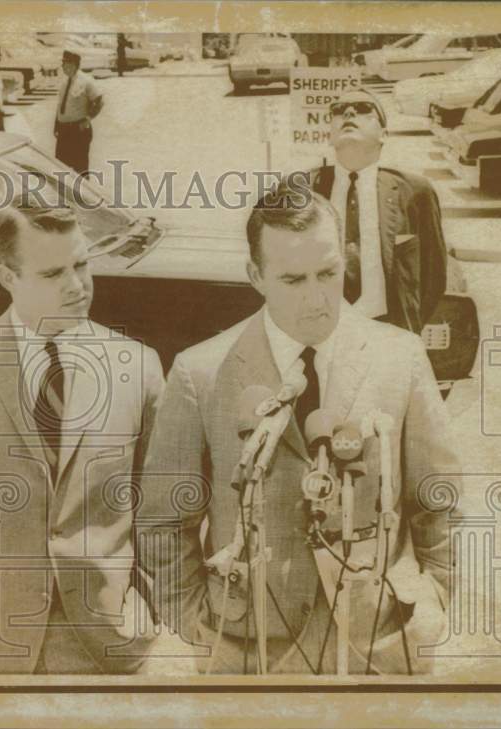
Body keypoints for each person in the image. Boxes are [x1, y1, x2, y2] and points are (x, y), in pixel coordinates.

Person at [141, 184, 458, 674]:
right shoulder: (199, 372)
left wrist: (431, 601)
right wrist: (196, 624)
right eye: (292, 280)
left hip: (381, 643)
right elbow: (163, 520)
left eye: (328, 273)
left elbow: (440, 501)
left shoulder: (401, 356)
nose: (317, 298)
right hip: (247, 653)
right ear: (256, 276)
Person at [0, 201, 163, 674]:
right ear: (7, 277)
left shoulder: (138, 367)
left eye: (82, 264)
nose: (77, 286)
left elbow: (160, 511)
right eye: (53, 273)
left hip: (104, 645)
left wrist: (150, 613)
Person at [309, 88, 447, 334]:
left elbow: (434, 276)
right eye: (338, 111)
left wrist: (407, 327)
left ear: (384, 134)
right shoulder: (302, 190)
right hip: (319, 334)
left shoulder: (415, 192)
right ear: (329, 135)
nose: (349, 113)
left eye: (363, 109)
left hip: (389, 332)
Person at [54, 50, 103, 177]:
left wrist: (88, 119)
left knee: (80, 168)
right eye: (63, 63)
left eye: (65, 63)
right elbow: (60, 105)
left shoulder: (86, 81)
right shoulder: (65, 82)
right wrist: (56, 124)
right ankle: (65, 196)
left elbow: (99, 101)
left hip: (78, 131)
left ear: (73, 64)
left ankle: (82, 196)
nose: (62, 66)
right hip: (64, 131)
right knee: (60, 168)